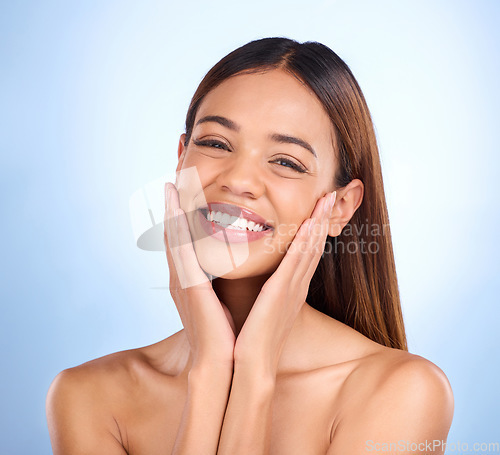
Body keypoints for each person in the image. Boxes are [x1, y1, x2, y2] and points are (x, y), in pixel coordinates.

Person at [46, 37, 454, 454]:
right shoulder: (87, 396)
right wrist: (210, 370)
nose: (238, 180)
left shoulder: (402, 393)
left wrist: (255, 371)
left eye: (285, 162)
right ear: (181, 157)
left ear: (341, 207)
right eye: (216, 144)